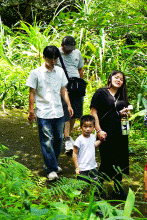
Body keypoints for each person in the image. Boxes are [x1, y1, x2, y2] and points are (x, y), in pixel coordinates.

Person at [26, 45, 73, 181]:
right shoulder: (36, 73)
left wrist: (68, 105)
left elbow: (63, 90)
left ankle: (52, 163)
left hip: (58, 111)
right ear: (44, 57)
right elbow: (32, 93)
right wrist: (31, 110)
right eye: (50, 58)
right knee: (47, 141)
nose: (53, 61)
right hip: (43, 112)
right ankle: (51, 169)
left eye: (55, 58)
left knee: (58, 139)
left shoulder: (60, 71)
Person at [89, 71, 131, 199]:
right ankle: (98, 189)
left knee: (121, 160)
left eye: (121, 79)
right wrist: (98, 130)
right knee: (107, 160)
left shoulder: (122, 95)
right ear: (110, 78)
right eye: (116, 77)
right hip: (105, 132)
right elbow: (93, 112)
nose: (118, 80)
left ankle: (118, 189)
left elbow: (122, 113)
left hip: (121, 133)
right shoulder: (101, 93)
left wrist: (126, 114)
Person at [57, 35, 85, 153]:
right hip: (63, 86)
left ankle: (68, 136)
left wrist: (81, 85)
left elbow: (80, 70)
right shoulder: (56, 53)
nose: (69, 50)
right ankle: (67, 138)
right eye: (67, 48)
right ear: (62, 45)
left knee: (75, 112)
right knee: (66, 112)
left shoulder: (77, 53)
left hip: (76, 87)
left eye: (71, 48)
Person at [72, 114, 101, 191]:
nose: (88, 129)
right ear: (81, 127)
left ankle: (96, 199)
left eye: (90, 126)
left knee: (96, 185)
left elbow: (93, 145)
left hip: (92, 167)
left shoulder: (92, 137)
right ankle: (79, 200)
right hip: (82, 169)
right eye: (85, 126)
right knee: (81, 187)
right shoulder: (79, 140)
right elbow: (74, 153)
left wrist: (101, 140)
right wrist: (77, 167)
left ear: (94, 127)